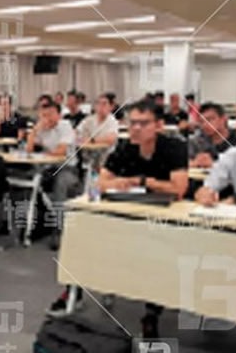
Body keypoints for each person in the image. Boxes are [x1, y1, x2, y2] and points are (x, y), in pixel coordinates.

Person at [70, 99, 187, 333]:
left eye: (143, 123)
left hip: (162, 217)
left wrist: (143, 181)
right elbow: (100, 182)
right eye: (132, 123)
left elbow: (179, 188)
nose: (136, 129)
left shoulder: (174, 147)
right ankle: (73, 292)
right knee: (81, 233)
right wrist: (118, 182)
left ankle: (152, 312)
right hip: (127, 213)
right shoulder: (125, 147)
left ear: (159, 125)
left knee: (157, 255)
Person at [26, 101, 79, 251]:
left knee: (60, 183)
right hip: (48, 168)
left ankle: (58, 228)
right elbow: (29, 149)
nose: (46, 118)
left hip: (68, 169)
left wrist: (43, 154)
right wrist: (34, 131)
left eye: (50, 114)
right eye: (43, 115)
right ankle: (40, 222)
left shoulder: (65, 126)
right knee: (32, 182)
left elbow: (61, 151)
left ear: (58, 115)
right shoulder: (42, 128)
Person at [188, 102, 236, 168]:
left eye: (209, 120)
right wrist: (196, 163)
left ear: (224, 119)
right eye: (202, 122)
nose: (205, 124)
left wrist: (214, 164)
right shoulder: (197, 141)